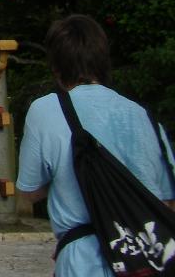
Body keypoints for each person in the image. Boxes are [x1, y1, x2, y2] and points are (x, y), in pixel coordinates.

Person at [17, 14, 175, 276]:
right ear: (103, 60)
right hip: (148, 261)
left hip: (83, 259)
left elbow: (30, 191)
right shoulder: (143, 116)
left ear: (56, 67)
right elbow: (167, 201)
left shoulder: (45, 110)